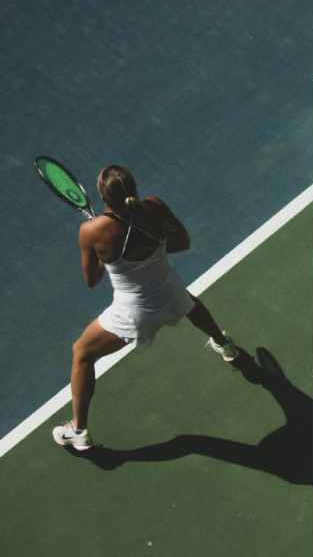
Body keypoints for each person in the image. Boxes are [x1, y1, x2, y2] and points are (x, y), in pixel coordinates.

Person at [53, 165, 238, 451]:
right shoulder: (154, 206)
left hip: (134, 314)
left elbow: (92, 281)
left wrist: (106, 258)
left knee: (82, 353)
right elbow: (182, 243)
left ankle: (78, 430)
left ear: (102, 195)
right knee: (186, 301)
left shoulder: (91, 230)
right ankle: (225, 345)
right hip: (170, 290)